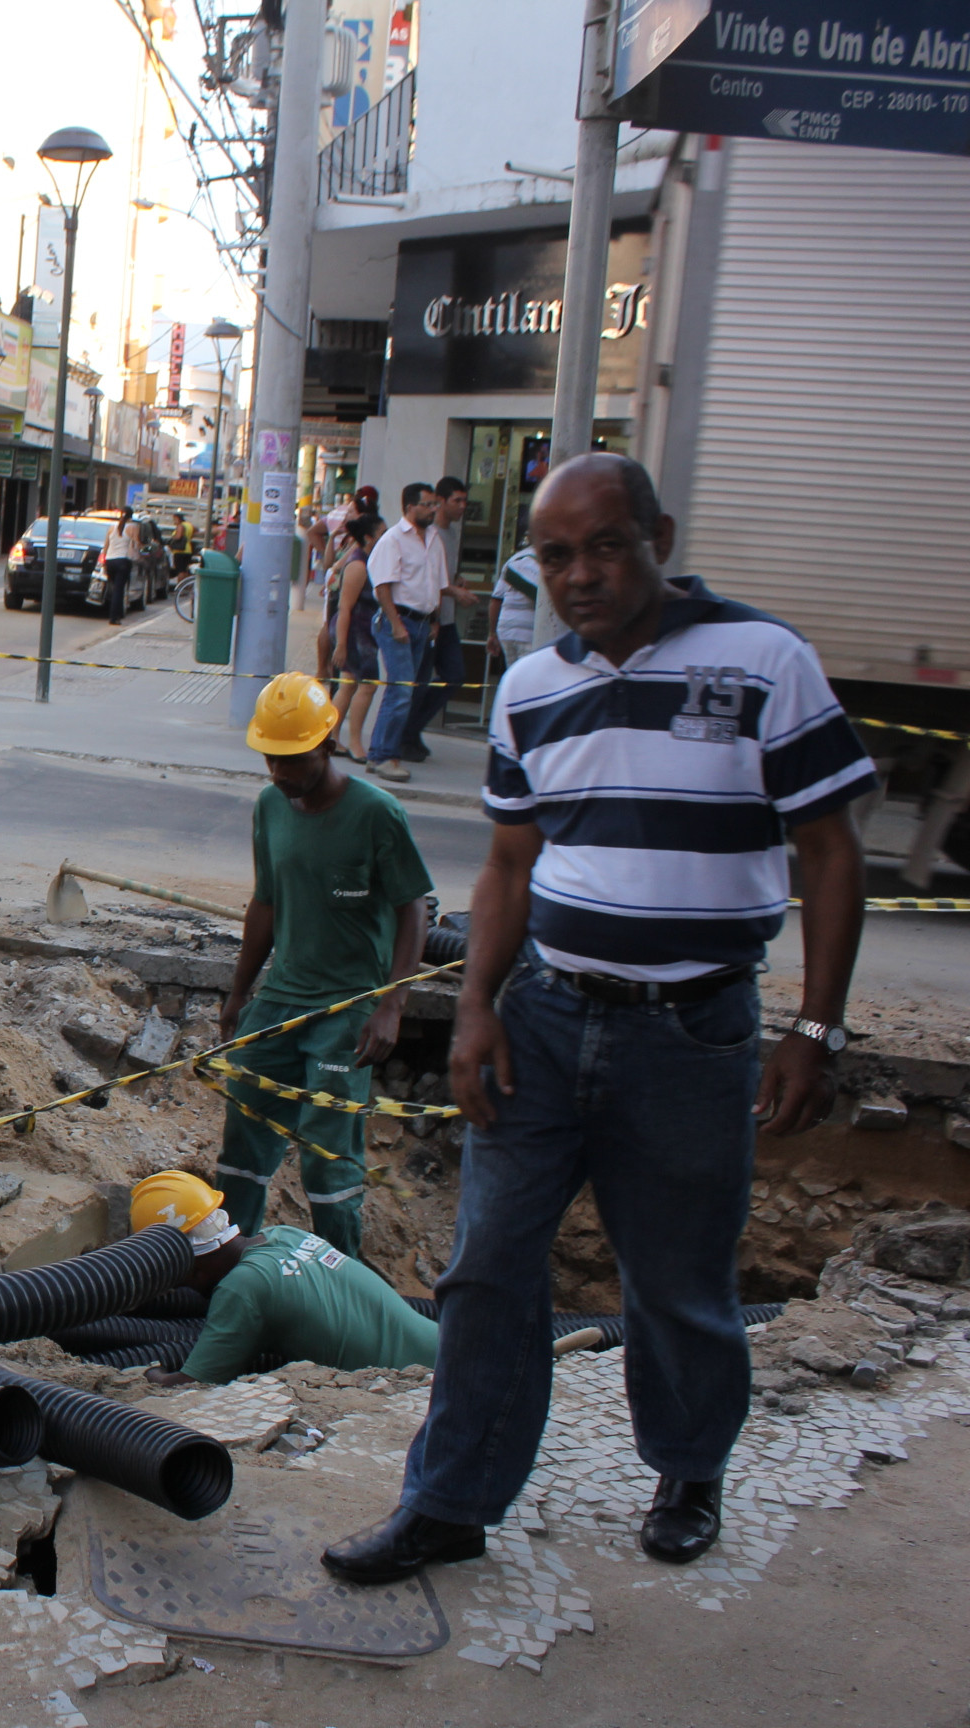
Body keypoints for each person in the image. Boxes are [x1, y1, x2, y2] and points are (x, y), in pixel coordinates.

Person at [321, 454, 872, 1587]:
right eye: (556, 555)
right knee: (487, 1269)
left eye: (606, 546)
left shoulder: (765, 660)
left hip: (694, 1034)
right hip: (544, 1020)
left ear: (656, 539)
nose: (580, 574)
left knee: (676, 1276)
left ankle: (688, 1469)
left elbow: (830, 852)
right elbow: (510, 866)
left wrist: (815, 1032)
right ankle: (451, 1500)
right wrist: (474, 1007)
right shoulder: (532, 687)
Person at [216, 672, 431, 1258]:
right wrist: (240, 992)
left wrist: (391, 1005)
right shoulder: (270, 806)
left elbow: (414, 908)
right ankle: (231, 1263)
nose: (279, 772)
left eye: (292, 759)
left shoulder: (377, 814)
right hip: (281, 998)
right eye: (271, 759)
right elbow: (265, 902)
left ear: (328, 746)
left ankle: (340, 1274)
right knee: (245, 1130)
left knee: (327, 1153)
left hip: (347, 1007)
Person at [131, 1173, 440, 1388]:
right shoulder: (285, 1234)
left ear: (186, 1263)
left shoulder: (243, 1288)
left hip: (422, 1383)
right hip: (446, 1345)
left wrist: (151, 1374)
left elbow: (192, 1384)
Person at [361, 483, 442, 782]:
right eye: (427, 504)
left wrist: (434, 620)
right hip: (398, 620)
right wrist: (396, 624)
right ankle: (385, 756)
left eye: (434, 504)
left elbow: (435, 583)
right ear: (410, 507)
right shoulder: (393, 539)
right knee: (401, 690)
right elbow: (382, 585)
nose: (433, 510)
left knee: (404, 689)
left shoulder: (433, 538)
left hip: (421, 622)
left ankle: (379, 753)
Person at [393, 476, 474, 764]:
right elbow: (430, 581)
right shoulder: (429, 534)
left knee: (453, 675)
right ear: (441, 502)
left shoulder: (449, 534)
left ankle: (412, 730)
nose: (462, 506)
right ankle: (404, 737)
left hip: (443, 618)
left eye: (465, 501)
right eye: (457, 501)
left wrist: (455, 581)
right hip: (429, 619)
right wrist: (454, 592)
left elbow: (442, 575)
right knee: (418, 682)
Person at [326, 512, 388, 754]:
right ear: (369, 538)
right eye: (382, 533)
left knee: (349, 684)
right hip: (354, 632)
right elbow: (344, 608)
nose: (386, 537)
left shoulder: (370, 561)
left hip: (363, 631)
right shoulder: (358, 565)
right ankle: (354, 742)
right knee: (367, 685)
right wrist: (341, 644)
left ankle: (333, 737)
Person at [490, 543, 538, 667]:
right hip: (530, 631)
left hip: (506, 629)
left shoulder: (513, 560)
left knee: (512, 670)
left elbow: (496, 600)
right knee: (528, 673)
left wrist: (492, 633)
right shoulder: (548, 561)